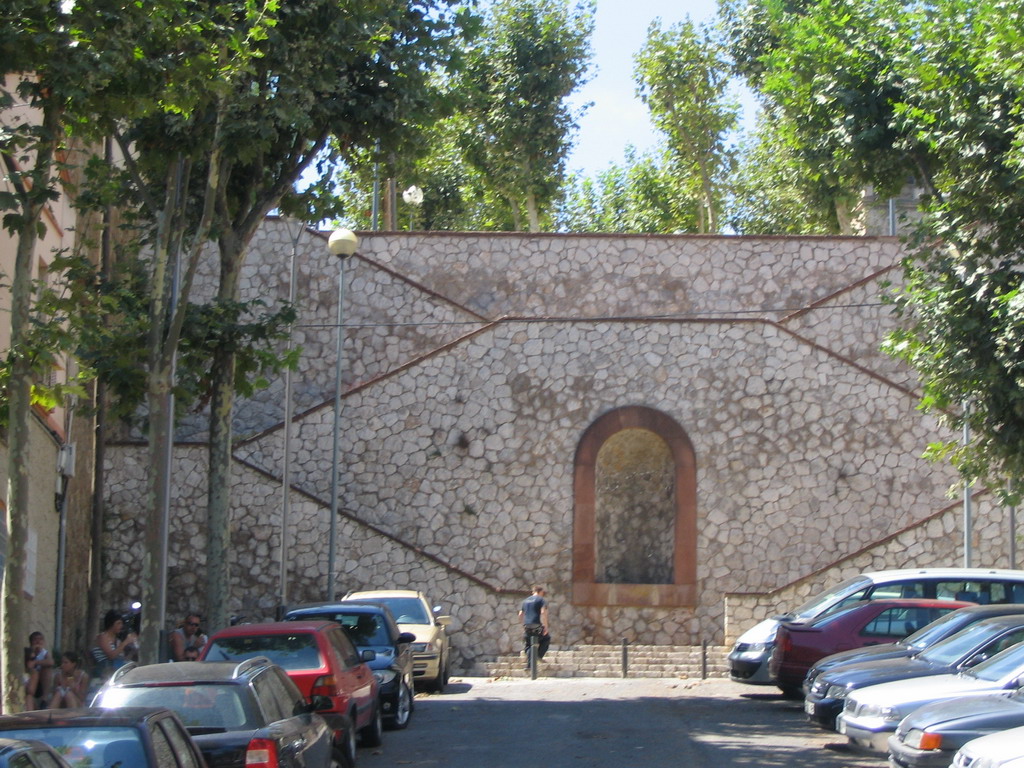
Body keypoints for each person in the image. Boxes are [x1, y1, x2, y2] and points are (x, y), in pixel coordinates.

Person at [90, 609, 138, 680]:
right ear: (111, 624)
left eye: (121, 623)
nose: (121, 626)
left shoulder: (117, 641)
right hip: (104, 669)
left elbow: (122, 658)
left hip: (116, 668)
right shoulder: (102, 637)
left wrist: (133, 651)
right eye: (118, 623)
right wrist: (125, 642)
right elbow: (111, 656)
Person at [518, 585, 550, 668]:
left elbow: (520, 614)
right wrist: (545, 626)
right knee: (546, 638)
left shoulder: (525, 601)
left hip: (527, 626)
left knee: (529, 645)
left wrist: (523, 625)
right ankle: (538, 656)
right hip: (537, 625)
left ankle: (529, 667)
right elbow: (543, 612)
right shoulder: (541, 600)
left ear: (533, 592)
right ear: (540, 592)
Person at [23, 631, 54, 710]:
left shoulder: (44, 653)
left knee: (47, 669)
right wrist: (32, 653)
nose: (38, 641)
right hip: (29, 680)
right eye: (35, 639)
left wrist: (36, 662)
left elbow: (51, 662)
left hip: (40, 681)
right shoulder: (27, 652)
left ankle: (44, 699)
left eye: (40, 639)